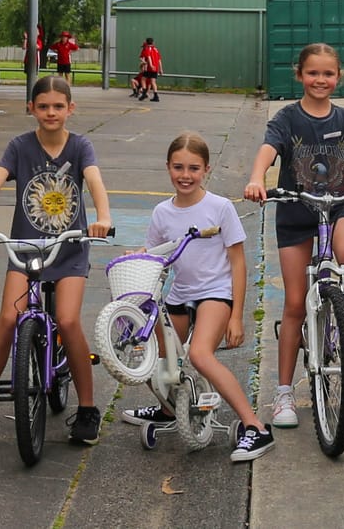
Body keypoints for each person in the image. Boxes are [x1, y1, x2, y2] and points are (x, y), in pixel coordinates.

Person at [242, 43, 344, 428]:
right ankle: (282, 395)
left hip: (338, 205)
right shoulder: (287, 118)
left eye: (328, 74)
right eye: (313, 73)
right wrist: (256, 177)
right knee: (295, 303)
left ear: (338, 77)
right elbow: (268, 149)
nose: (320, 80)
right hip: (296, 212)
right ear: (300, 75)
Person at [0, 75, 114, 441]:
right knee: (9, 317)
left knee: (69, 321)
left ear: (70, 109)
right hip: (26, 248)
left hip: (69, 247)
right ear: (31, 109)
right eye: (43, 106)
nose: (50, 112)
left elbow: (95, 180)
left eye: (58, 106)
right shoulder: (20, 147)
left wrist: (103, 217)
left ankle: (87, 409)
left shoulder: (80, 147)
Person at [117, 132, 276, 462]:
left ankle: (255, 427)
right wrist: (139, 254)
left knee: (201, 355)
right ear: (167, 168)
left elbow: (238, 261)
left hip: (216, 294)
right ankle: (167, 410)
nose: (185, 175)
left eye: (193, 168)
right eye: (178, 167)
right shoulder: (162, 212)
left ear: (206, 168)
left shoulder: (219, 208)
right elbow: (157, 253)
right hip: (180, 293)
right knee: (152, 355)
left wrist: (236, 315)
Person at [134, 37, 162, 102]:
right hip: (156, 68)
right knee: (153, 82)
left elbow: (148, 57)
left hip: (150, 68)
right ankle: (156, 96)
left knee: (143, 79)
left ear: (146, 42)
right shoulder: (156, 49)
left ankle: (144, 93)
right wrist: (161, 69)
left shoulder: (147, 49)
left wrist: (151, 65)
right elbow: (159, 59)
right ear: (153, 42)